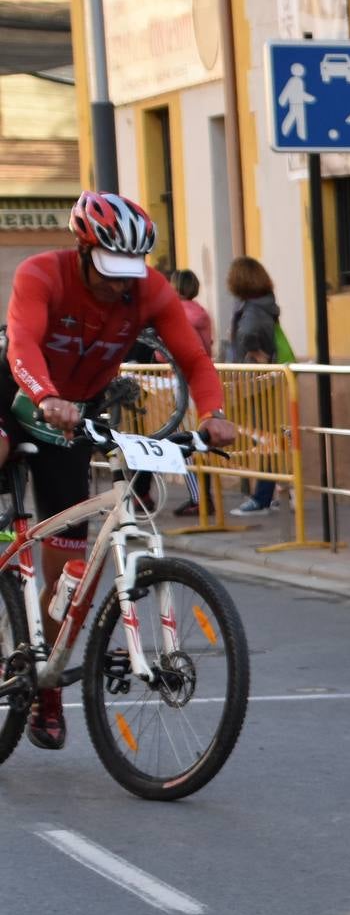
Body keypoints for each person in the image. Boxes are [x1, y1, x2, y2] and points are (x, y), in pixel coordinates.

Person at [2, 191, 235, 749]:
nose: (120, 284)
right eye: (110, 271)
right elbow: (25, 344)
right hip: (16, 394)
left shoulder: (147, 290)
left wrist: (216, 414)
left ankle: (48, 688)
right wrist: (46, 395)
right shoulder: (43, 273)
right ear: (84, 250)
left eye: (130, 272)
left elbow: (193, 358)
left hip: (74, 418)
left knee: (69, 572)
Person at [225, 255, 287, 515]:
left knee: (266, 440)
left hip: (258, 384)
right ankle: (271, 492)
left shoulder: (251, 309)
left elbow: (249, 333)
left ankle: (261, 496)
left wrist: (254, 353)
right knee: (269, 438)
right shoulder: (264, 305)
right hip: (265, 382)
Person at [169, 269, 214, 518]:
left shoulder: (176, 315)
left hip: (183, 382)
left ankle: (198, 497)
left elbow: (162, 351)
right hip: (202, 381)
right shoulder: (202, 313)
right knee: (201, 439)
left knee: (185, 441)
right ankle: (205, 496)